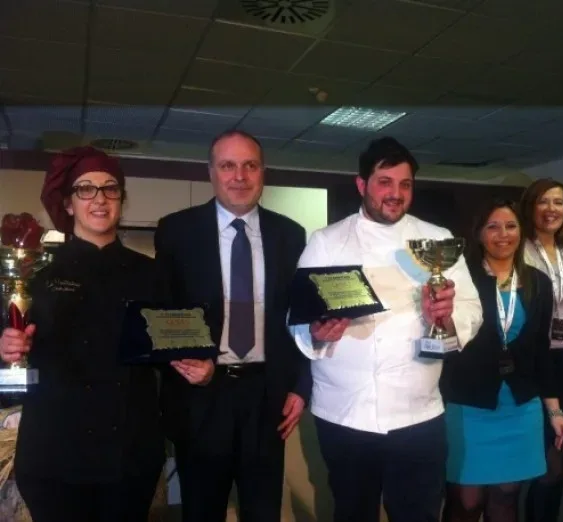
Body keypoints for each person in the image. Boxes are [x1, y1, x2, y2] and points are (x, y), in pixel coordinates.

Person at [288, 137, 483, 522]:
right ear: (362, 185)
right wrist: (316, 333)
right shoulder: (326, 241)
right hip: (344, 414)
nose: (396, 193)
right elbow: (297, 316)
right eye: (385, 182)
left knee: (418, 515)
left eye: (405, 184)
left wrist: (445, 316)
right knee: (352, 513)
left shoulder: (437, 239)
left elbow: (472, 310)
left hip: (417, 414)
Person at [0, 146, 165, 521]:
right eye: (86, 189)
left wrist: (193, 362)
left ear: (121, 199)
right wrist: (5, 347)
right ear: (69, 203)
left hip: (130, 455)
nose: (100, 199)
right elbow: (6, 346)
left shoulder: (152, 274)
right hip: (54, 454)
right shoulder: (35, 274)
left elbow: (168, 350)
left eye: (110, 188)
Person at [155, 129, 311, 522]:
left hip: (267, 397)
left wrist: (301, 385)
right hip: (202, 396)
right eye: (228, 165)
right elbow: (163, 314)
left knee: (263, 511)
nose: (239, 176)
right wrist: (192, 361)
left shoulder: (290, 235)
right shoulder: (177, 231)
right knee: (201, 511)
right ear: (211, 172)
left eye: (250, 165)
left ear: (263, 172)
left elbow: (300, 317)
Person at [440, 198, 563, 522]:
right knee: (467, 500)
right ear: (479, 234)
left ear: (521, 231)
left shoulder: (538, 282)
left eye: (511, 226)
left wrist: (555, 413)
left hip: (520, 406)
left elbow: (542, 352)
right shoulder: (461, 280)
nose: (503, 234)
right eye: (493, 226)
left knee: (507, 496)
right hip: (468, 405)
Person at [519, 178, 563, 522]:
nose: (551, 209)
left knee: (560, 452)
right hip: (535, 363)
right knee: (544, 459)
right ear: (530, 207)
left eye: (558, 202)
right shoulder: (519, 250)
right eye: (543, 201)